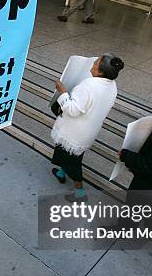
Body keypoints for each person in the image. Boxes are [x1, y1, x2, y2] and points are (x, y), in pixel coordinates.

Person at [51, 54, 124, 201]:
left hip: (74, 133)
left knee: (73, 163)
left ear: (101, 72)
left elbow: (72, 110)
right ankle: (61, 173)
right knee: (68, 155)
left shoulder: (88, 86)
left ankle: (80, 193)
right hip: (86, 130)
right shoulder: (111, 85)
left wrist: (63, 92)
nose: (92, 64)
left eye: (95, 63)